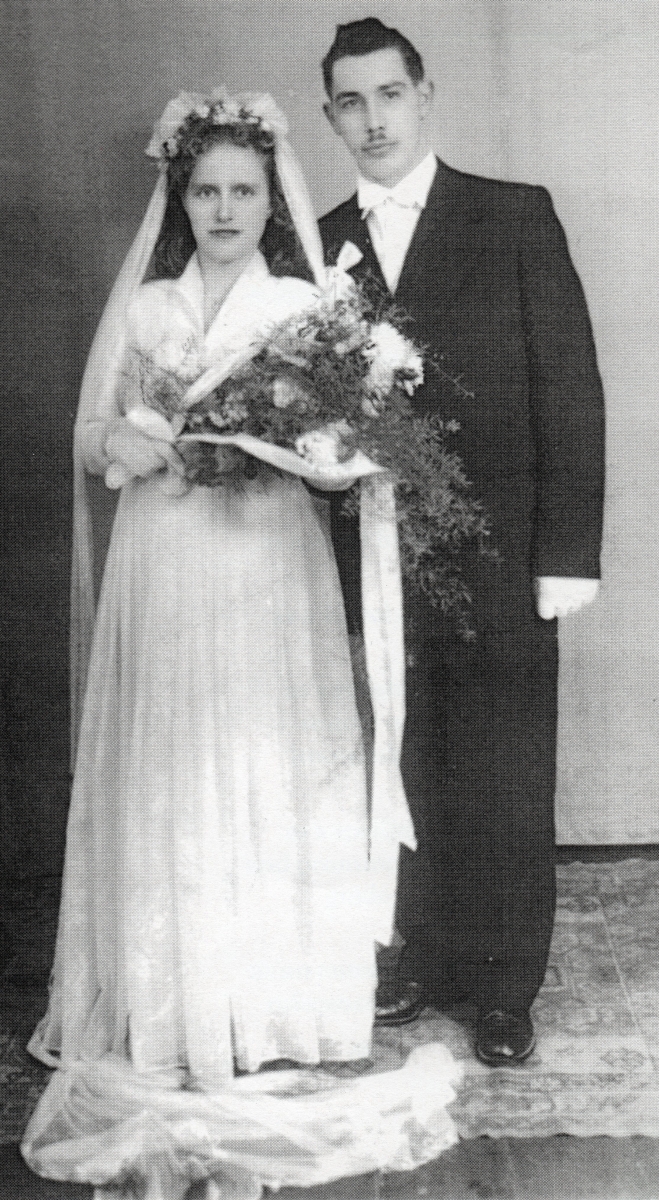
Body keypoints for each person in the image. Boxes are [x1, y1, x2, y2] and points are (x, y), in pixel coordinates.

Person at [26, 91, 377, 1093]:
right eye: (206, 190)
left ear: (272, 201)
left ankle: (272, 1003)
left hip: (264, 561)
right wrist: (123, 444)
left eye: (243, 190)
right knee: (172, 755)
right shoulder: (148, 307)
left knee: (263, 750)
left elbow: (337, 457)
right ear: (181, 199)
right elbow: (91, 437)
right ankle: (166, 997)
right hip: (166, 555)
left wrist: (304, 451)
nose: (224, 209)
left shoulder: (302, 312)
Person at [319, 19, 605, 1065]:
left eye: (387, 94)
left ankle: (500, 987)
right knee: (403, 758)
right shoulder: (317, 241)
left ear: (424, 96)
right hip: (378, 552)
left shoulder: (509, 215)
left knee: (501, 766)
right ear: (329, 117)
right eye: (350, 102)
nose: (373, 119)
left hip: (500, 549)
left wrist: (564, 554)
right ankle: (421, 954)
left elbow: (567, 386)